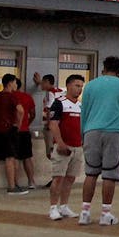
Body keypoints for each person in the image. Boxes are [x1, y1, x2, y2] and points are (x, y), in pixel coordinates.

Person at [78, 56, 119, 225]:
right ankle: (105, 213)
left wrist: (83, 135)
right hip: (114, 131)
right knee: (110, 173)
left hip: (91, 131)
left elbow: (84, 112)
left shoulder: (90, 85)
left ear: (103, 69)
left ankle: (84, 212)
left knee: (91, 172)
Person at [46, 75, 84, 220]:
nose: (79, 89)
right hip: (63, 146)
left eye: (81, 86)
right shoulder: (59, 103)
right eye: (76, 85)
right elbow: (53, 124)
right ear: (68, 86)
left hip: (77, 146)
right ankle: (53, 207)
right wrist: (60, 142)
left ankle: (64, 206)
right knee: (58, 178)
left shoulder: (81, 106)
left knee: (70, 178)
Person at [12, 75, 39, 188]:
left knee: (15, 158)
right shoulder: (27, 97)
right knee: (27, 157)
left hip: (13, 131)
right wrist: (27, 123)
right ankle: (31, 181)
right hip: (25, 131)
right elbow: (33, 114)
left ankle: (15, 183)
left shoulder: (10, 97)